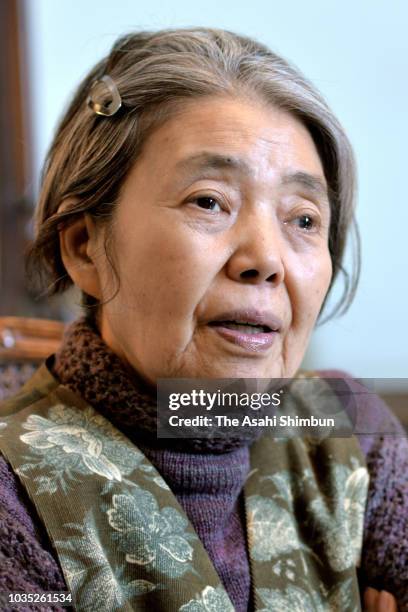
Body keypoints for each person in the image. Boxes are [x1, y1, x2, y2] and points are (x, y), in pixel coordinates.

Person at [0, 27, 406, 612]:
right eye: (209, 201)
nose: (266, 259)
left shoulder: (351, 433)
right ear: (85, 246)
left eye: (304, 219)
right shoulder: (12, 498)